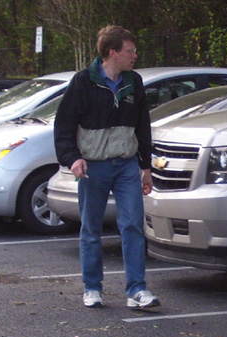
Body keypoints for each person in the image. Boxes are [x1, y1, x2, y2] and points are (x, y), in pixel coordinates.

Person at [54, 25, 159, 309]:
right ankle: (92, 288)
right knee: (91, 228)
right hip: (94, 166)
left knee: (133, 225)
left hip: (126, 165)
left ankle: (137, 290)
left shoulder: (133, 81)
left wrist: (145, 166)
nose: (135, 55)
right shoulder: (82, 82)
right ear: (112, 53)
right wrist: (73, 157)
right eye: (130, 51)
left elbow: (142, 126)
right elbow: (63, 125)